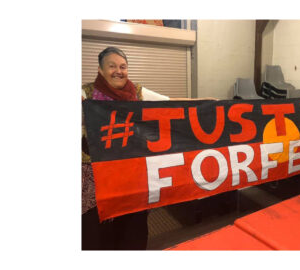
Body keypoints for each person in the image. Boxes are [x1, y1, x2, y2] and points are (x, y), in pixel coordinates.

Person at [82, 46, 215, 250]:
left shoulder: (136, 92)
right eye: (112, 66)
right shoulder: (85, 94)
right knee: (98, 234)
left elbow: (170, 104)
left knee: (133, 228)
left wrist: (205, 103)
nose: (119, 71)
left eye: (123, 66)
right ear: (100, 70)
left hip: (132, 173)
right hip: (97, 178)